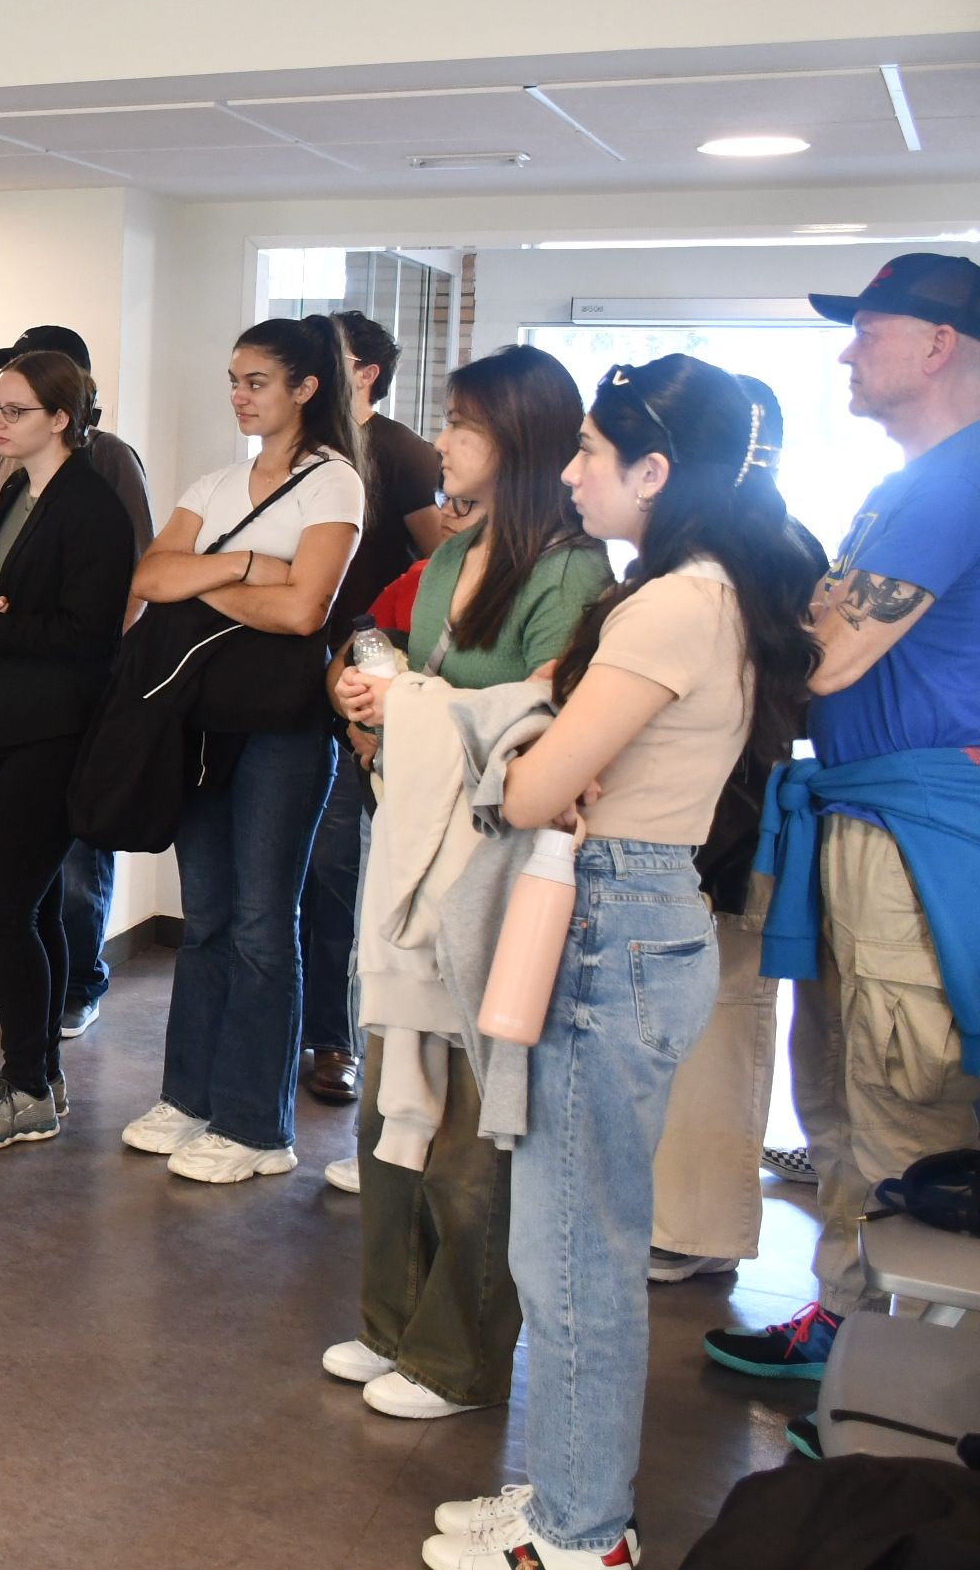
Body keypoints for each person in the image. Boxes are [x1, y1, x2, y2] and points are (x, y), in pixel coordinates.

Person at [422, 354, 815, 1570]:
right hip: (628, 910)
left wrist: (524, 753)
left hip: (612, 914)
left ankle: (581, 1530)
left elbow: (533, 782)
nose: (575, 468)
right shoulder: (706, 589)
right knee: (571, 1237)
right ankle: (564, 1493)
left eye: (594, 450)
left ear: (657, 470)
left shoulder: (670, 602)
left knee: (574, 1251)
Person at [321, 344, 611, 1422]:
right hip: (415, 852)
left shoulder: (571, 569)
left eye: (465, 424)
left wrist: (412, 702)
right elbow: (399, 656)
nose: (443, 440)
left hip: (494, 868)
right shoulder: (458, 547)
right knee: (394, 1110)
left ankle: (455, 1354)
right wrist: (368, 684)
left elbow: (544, 714)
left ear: (521, 439)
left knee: (472, 1135)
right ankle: (389, 1322)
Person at [705, 253, 980, 1388]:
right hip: (861, 808)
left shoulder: (954, 482)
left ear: (941, 344)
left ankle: (902, 1383)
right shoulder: (911, 481)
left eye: (869, 330)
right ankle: (849, 1326)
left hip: (913, 826)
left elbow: (826, 650)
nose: (847, 353)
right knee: (839, 1090)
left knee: (901, 1096)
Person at [121, 316, 360, 1184]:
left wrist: (210, 573)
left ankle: (258, 1125)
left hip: (282, 732)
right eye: (234, 378)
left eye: (257, 380)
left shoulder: (333, 485)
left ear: (306, 388)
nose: (240, 395)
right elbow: (151, 578)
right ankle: (190, 1097)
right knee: (206, 921)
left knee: (265, 923)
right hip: (203, 725)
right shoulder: (216, 481)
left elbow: (306, 615)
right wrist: (251, 568)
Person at [647, 376, 826, 1289]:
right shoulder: (716, 547)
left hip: (740, 818)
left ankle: (699, 1223)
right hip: (702, 819)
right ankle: (676, 1214)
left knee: (722, 1020)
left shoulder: (766, 549)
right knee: (691, 1022)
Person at [0, 351, 134, 1149]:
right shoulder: (16, 487)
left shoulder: (93, 508)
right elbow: (10, 601)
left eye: (14, 411)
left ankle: (27, 1092)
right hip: (4, 716)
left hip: (55, 727)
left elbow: (89, 638)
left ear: (61, 418)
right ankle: (35, 1071)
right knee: (38, 905)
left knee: (6, 905)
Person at [301, 311, 446, 1108]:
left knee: (337, 873)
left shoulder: (404, 455)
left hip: (365, 688)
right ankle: (297, 1022)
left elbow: (438, 569)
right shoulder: (297, 459)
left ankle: (335, 1037)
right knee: (289, 875)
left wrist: (383, 683)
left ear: (366, 373)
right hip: (294, 679)